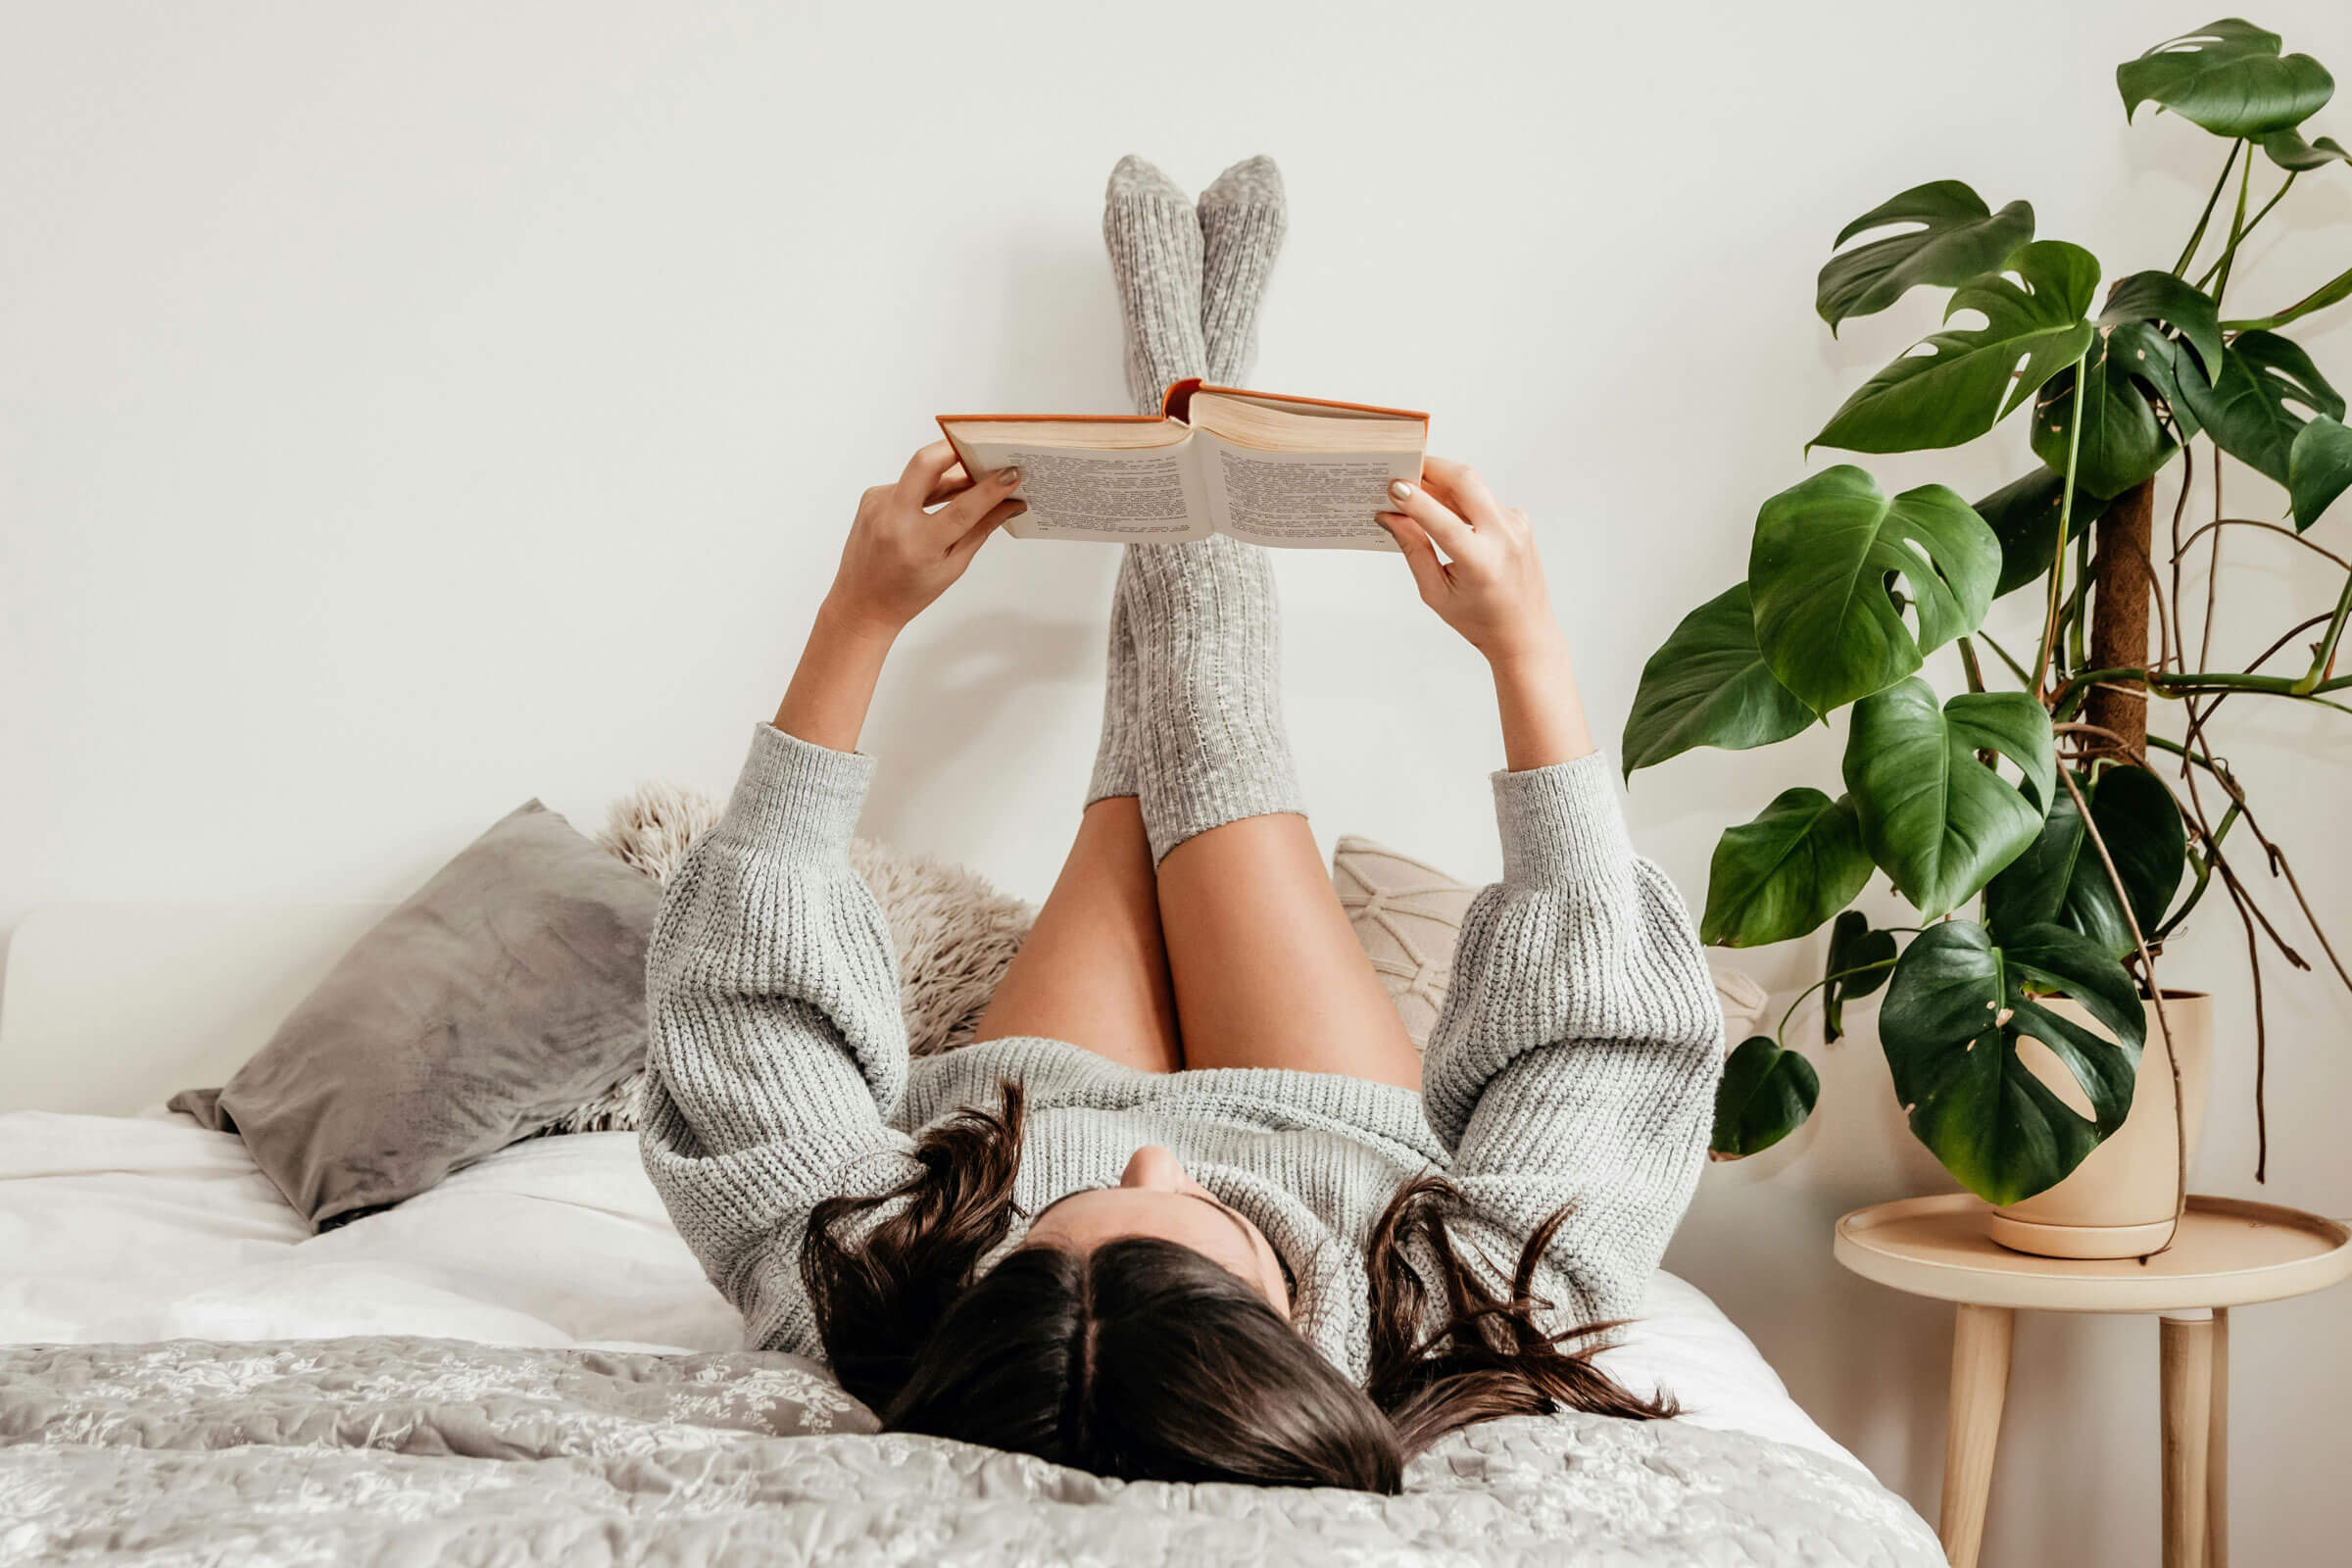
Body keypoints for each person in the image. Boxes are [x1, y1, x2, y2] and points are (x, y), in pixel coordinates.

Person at [639, 156, 1723, 1494]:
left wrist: (857, 617)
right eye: (1205, 1216)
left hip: (1031, 1096)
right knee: (1210, 748)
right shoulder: (1459, 1310)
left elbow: (745, 1025)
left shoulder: (883, 1298)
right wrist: (1526, 651)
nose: (1162, 1153)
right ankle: (1193, 365)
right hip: (1331, 1121)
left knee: (1138, 777)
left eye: (1041, 1241)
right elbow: (1607, 1056)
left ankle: (1175, 377)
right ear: (1293, 1352)